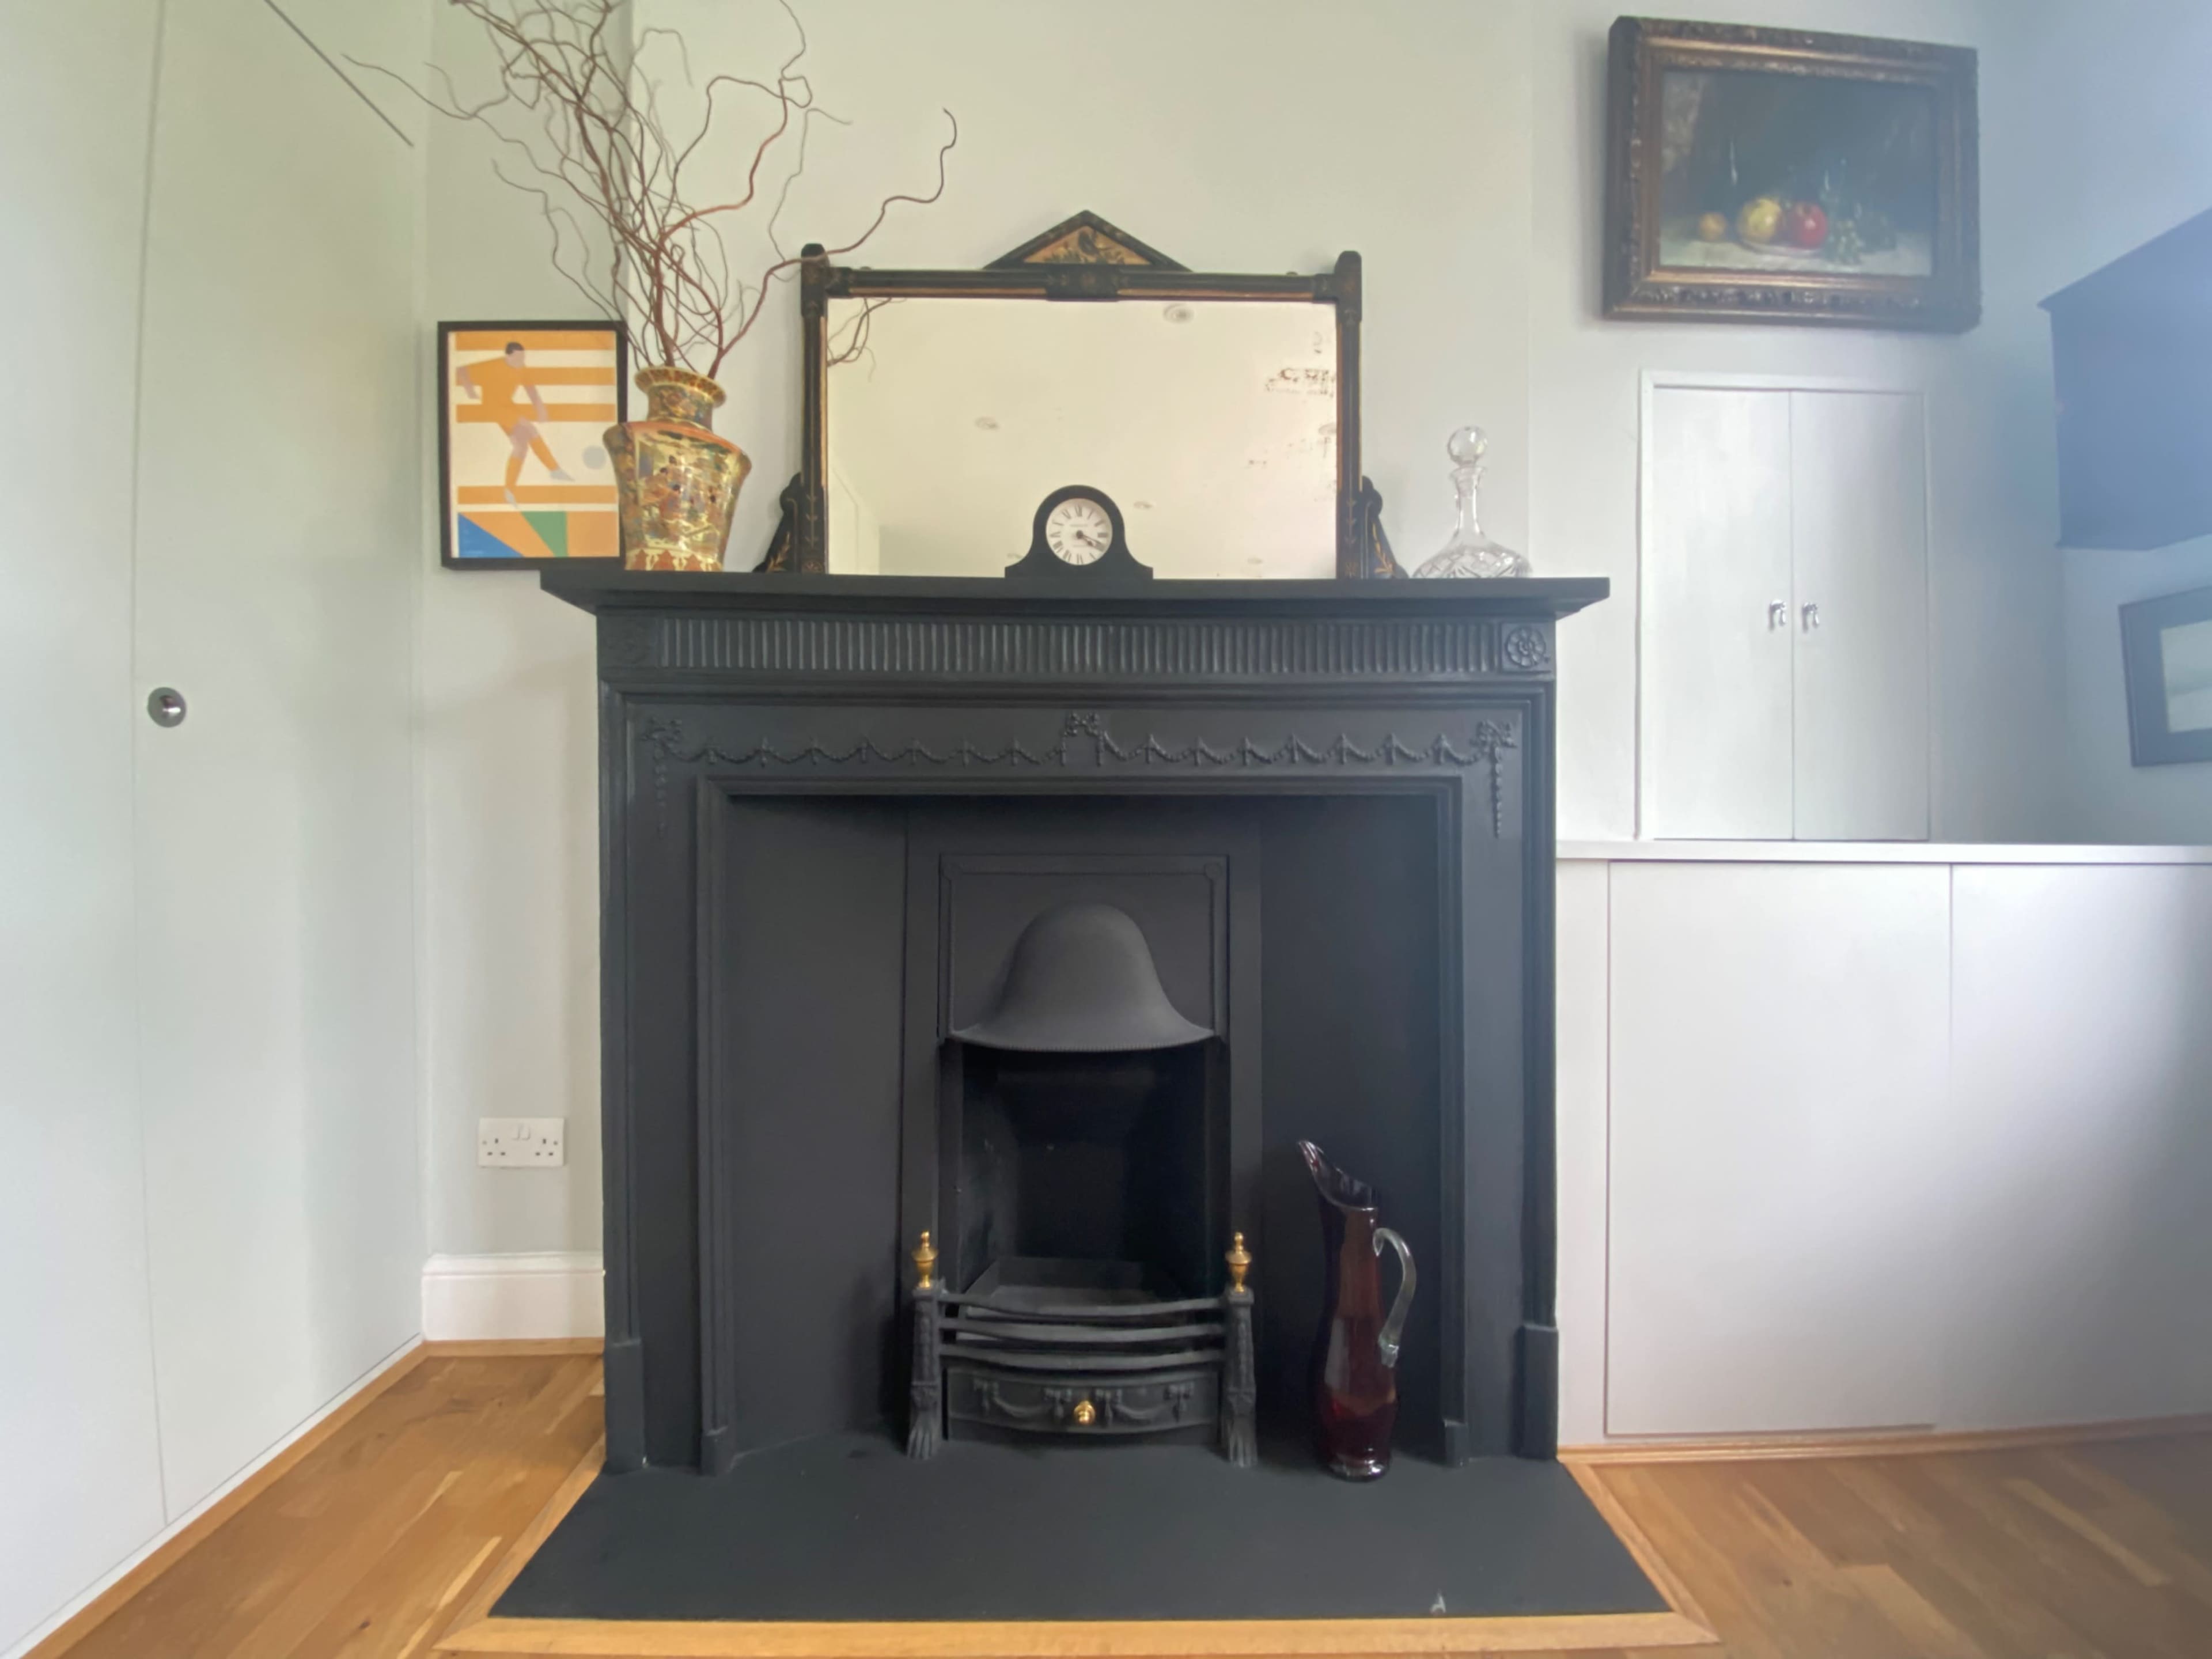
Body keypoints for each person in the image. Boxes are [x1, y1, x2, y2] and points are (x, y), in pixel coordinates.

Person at [457, 340, 574, 504]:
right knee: (530, 428)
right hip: (493, 407)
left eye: (523, 358)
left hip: (508, 406)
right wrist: (470, 390)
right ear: (508, 356)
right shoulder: (493, 366)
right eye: (518, 358)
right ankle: (554, 469)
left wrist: (540, 409)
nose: (521, 361)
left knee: (520, 447)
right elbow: (461, 370)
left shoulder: (521, 368)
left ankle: (509, 491)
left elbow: (531, 390)